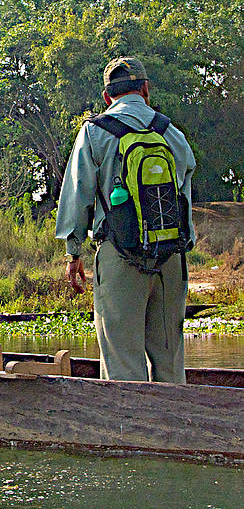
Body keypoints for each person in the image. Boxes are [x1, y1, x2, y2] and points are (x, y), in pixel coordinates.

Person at [55, 56, 196, 383]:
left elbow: (78, 196)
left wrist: (73, 254)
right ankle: (177, 428)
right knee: (170, 358)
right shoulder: (171, 132)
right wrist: (180, 245)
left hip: (120, 255)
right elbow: (185, 194)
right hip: (171, 258)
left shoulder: (95, 132)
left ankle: (128, 432)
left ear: (107, 97)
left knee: (122, 361)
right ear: (145, 89)